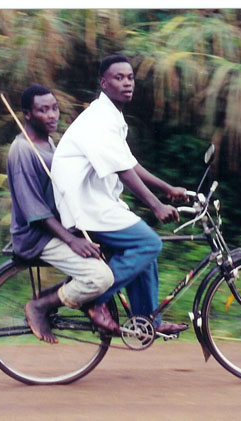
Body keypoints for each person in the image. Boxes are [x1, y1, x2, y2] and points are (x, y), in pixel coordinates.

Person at [51, 55, 189, 334]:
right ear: (104, 83)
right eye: (118, 78)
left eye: (130, 77)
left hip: (97, 202)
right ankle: (95, 300)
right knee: (149, 244)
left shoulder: (111, 116)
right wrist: (155, 205)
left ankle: (149, 322)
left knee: (144, 252)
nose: (127, 83)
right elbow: (122, 170)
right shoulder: (98, 120)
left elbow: (129, 163)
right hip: (83, 206)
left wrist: (167, 189)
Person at [7, 84, 118, 344]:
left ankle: (89, 303)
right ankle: (40, 306)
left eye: (54, 108)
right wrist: (72, 240)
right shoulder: (22, 150)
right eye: (43, 110)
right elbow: (35, 210)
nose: (52, 115)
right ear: (27, 114)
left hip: (59, 228)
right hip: (37, 236)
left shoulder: (48, 142)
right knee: (100, 277)